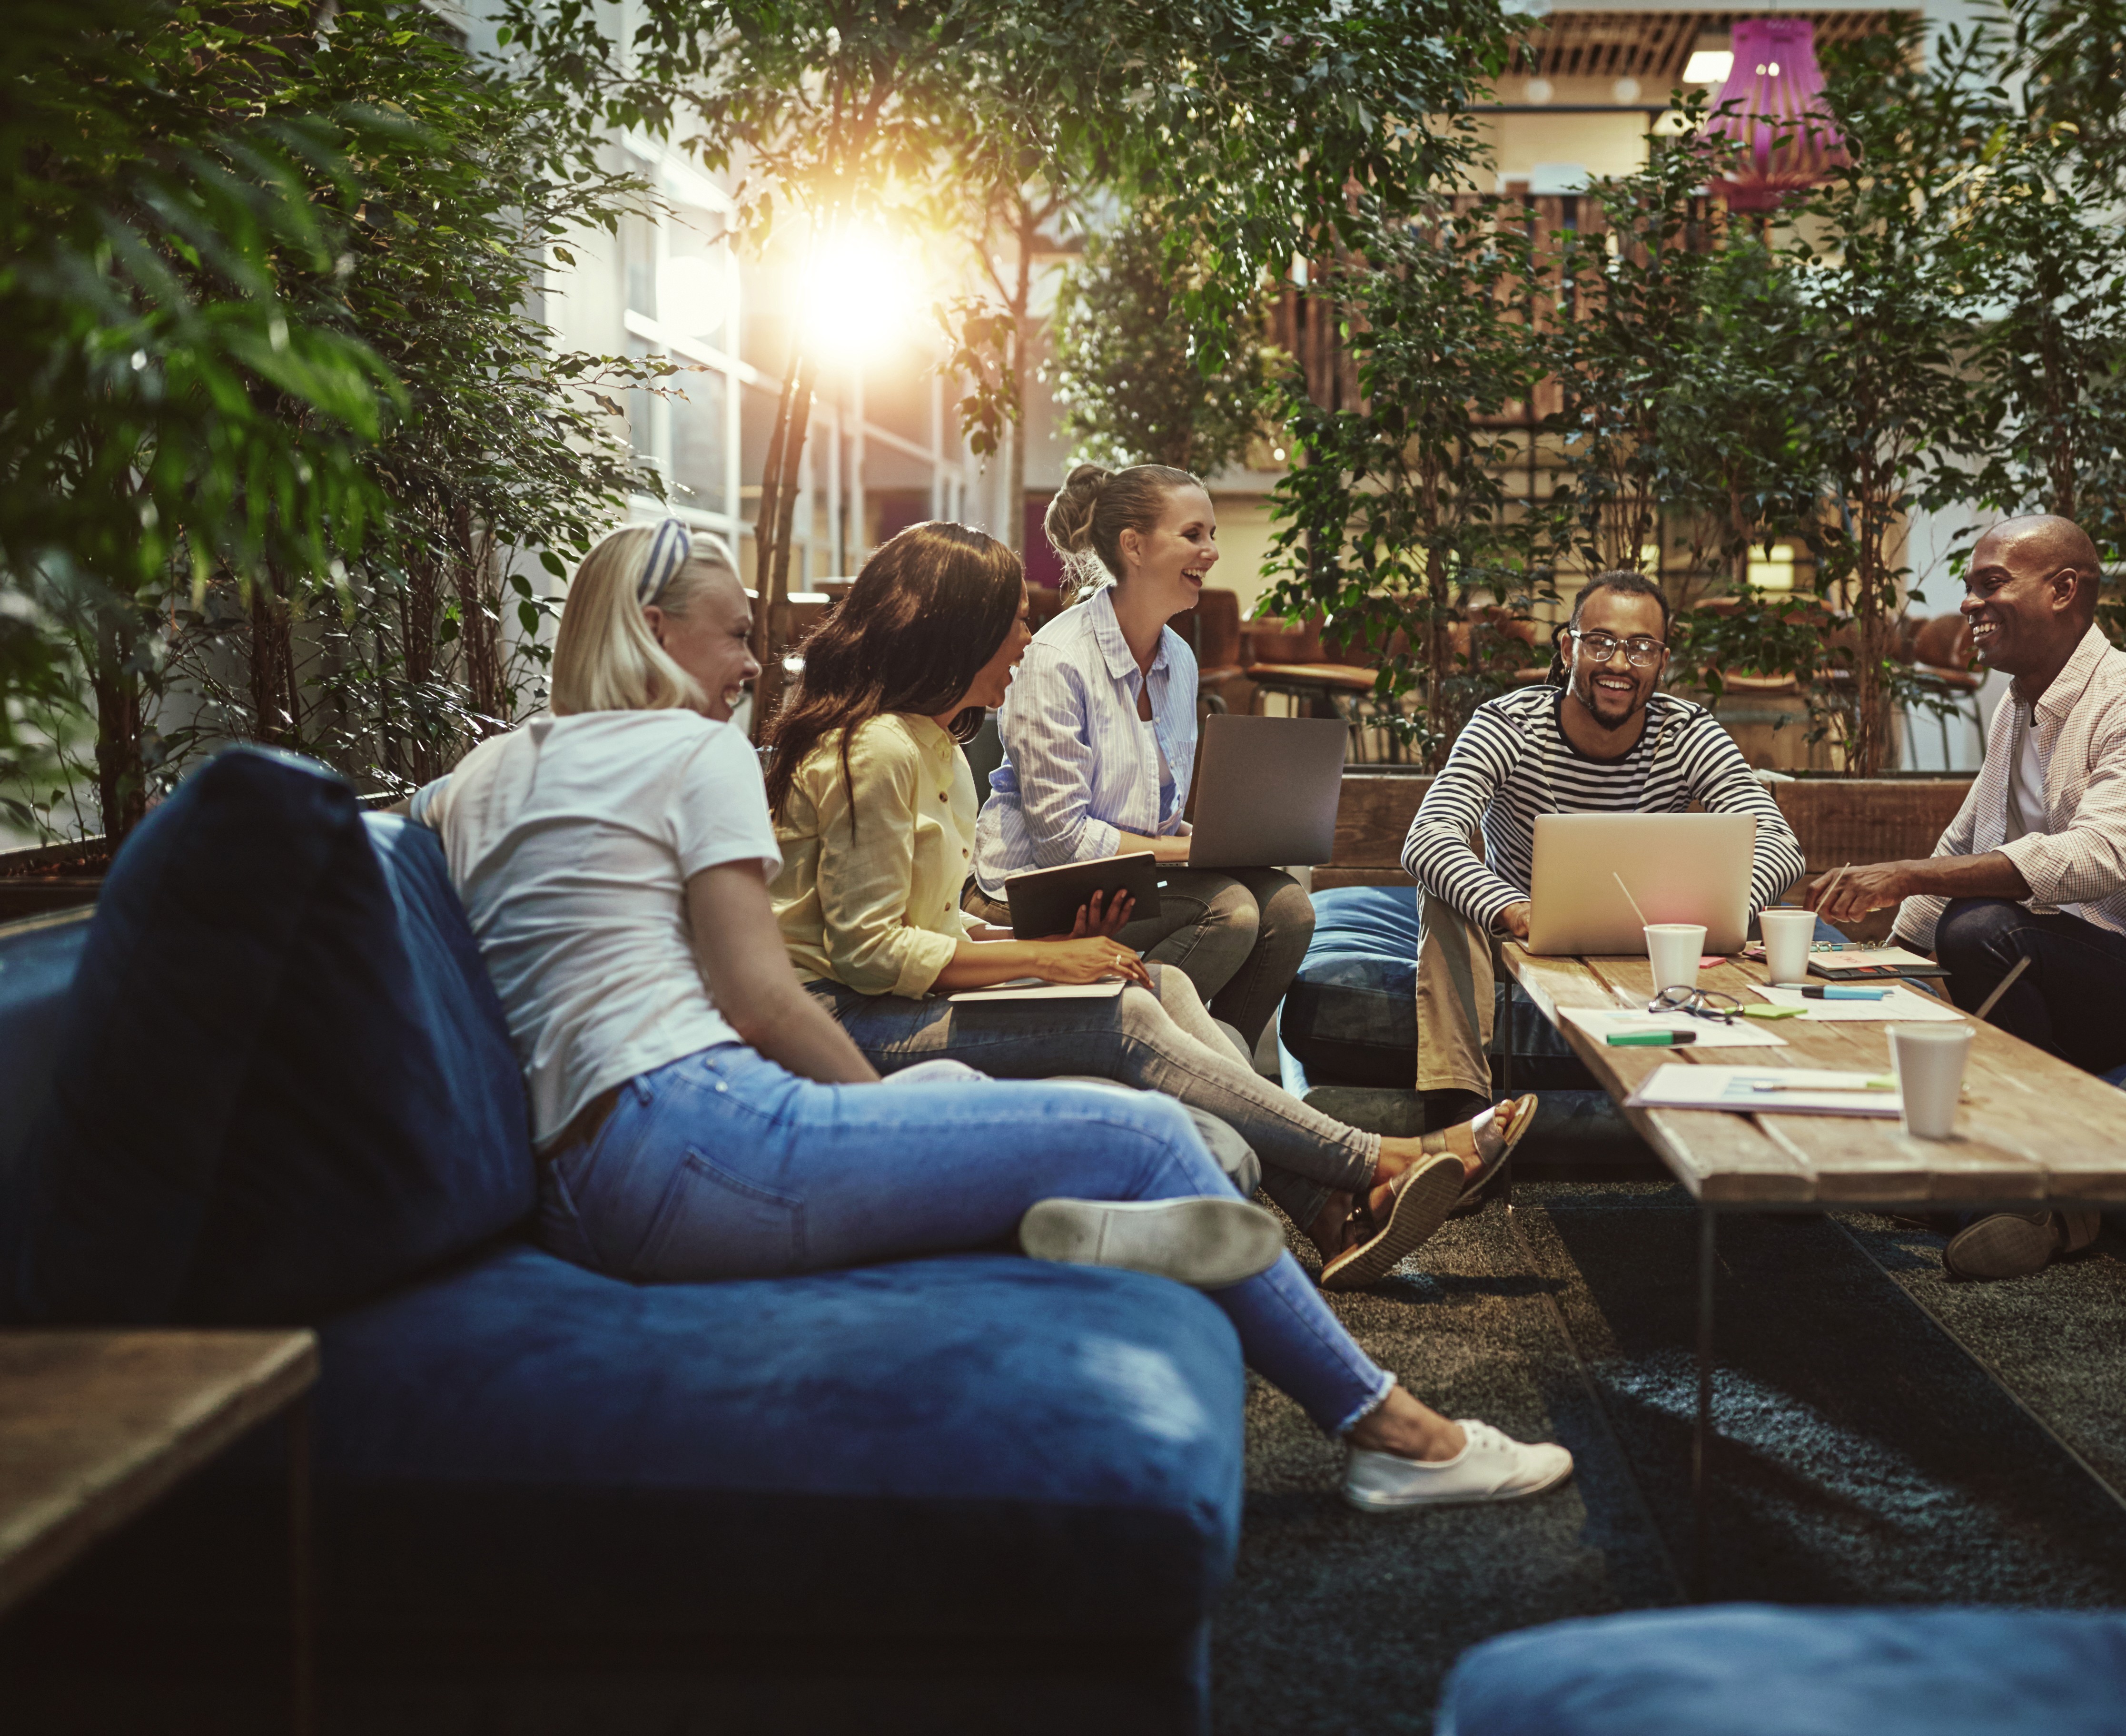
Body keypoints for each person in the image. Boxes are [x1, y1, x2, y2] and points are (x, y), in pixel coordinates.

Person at [408, 518, 1572, 1509]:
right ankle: (1395, 1439)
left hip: (576, 1187)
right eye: (732, 634)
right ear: (656, 634)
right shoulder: (691, 751)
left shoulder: (470, 781)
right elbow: (757, 996)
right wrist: (872, 1126)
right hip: (691, 1136)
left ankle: (1039, 1217)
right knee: (1146, 1134)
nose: (756, 664)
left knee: (960, 1091)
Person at [770, 520, 1541, 1292]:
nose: (1025, 636)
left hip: (890, 997)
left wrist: (1044, 941)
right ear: (957, 628)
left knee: (1161, 984)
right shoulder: (874, 752)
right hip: (846, 1021)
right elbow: (868, 956)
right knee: (1124, 1015)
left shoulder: (936, 744)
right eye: (1012, 620)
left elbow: (927, 920)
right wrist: (1042, 958)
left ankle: (1337, 1214)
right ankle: (1379, 1160)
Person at [1804, 514, 2126, 1281]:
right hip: (2067, 964)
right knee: (1939, 948)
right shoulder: (2018, 704)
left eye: (1991, 584)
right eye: (1969, 588)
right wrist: (1884, 958)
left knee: (1984, 931)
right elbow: (1965, 840)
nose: (1968, 605)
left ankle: (2046, 1203)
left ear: (2063, 591)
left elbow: (2094, 861)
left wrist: (1905, 877)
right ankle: (1967, 1176)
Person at [1403, 572, 1806, 1122]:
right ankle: (1459, 1119)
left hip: (1654, 941)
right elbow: (1429, 835)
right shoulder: (1506, 725)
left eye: (1641, 648)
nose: (1620, 664)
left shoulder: (1690, 733)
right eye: (1601, 643)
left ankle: (1754, 1119)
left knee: (1760, 902)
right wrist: (1516, 910)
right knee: (1444, 894)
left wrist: (1717, 911)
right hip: (1522, 945)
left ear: (1662, 662)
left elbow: (1780, 843)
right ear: (1569, 649)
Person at [971, 462, 1311, 1053]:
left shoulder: (1179, 660)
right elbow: (1062, 845)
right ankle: (1130, 1047)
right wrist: (1196, 851)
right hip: (1033, 892)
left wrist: (1235, 839)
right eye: (1193, 535)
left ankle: (1216, 1057)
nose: (1210, 552)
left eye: (1212, 536)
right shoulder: (1057, 659)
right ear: (1133, 545)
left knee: (1288, 909)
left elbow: (1153, 815)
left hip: (1128, 879)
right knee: (1229, 911)